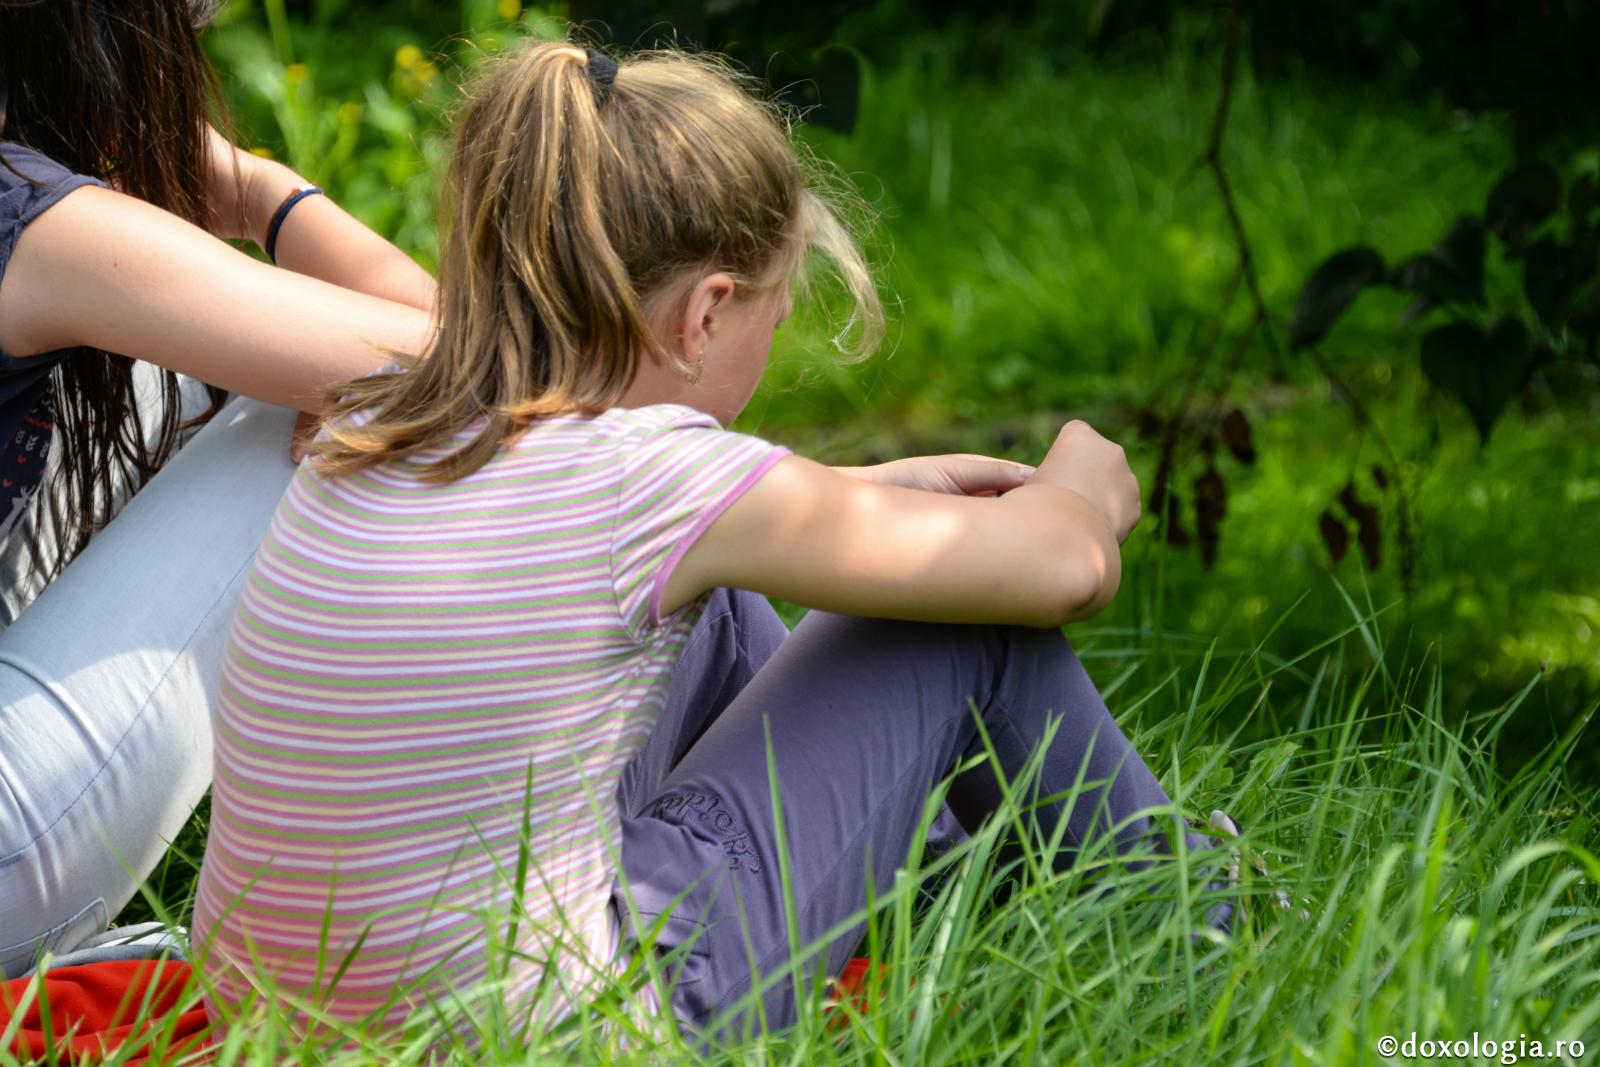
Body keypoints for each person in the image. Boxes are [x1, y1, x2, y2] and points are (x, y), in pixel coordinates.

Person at [188, 40, 1234, 1052]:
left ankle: (960, 911)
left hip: (282, 1026)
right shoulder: (652, 476)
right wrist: (1078, 486)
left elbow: (595, 549)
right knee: (961, 635)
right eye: (775, 310)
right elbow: (1069, 568)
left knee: (722, 600)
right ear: (706, 314)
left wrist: (855, 494)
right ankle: (1192, 925)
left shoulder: (384, 414)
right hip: (561, 1035)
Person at [0, 0, 438, 979]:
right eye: (188, 24)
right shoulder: (42, 223)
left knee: (202, 376)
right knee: (348, 424)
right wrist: (259, 189)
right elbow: (474, 357)